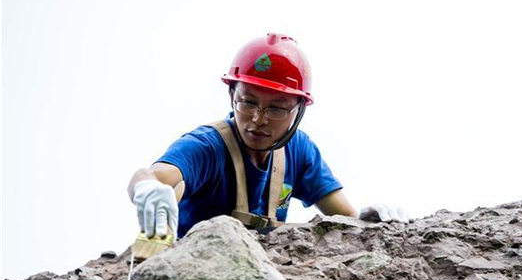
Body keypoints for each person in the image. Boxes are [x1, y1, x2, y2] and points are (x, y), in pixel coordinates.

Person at [127, 33, 407, 239]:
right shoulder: (206, 147)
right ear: (232, 94)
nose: (258, 120)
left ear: (298, 110)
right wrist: (147, 188)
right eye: (247, 102)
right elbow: (152, 176)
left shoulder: (299, 151)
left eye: (276, 109)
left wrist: (367, 221)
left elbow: (344, 216)